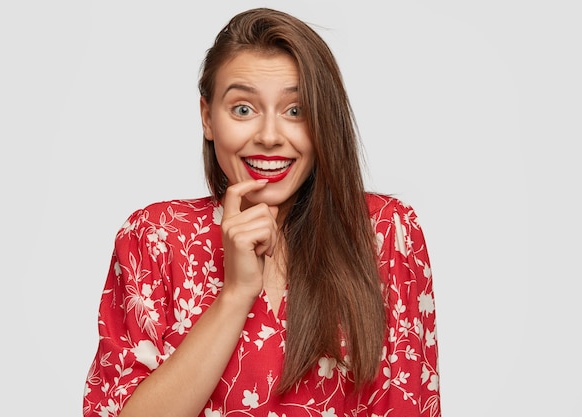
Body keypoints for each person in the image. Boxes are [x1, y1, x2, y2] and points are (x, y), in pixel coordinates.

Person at [83, 7, 441, 417]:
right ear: (207, 117)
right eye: (242, 109)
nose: (269, 136)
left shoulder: (386, 232)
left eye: (295, 110)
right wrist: (235, 295)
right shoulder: (157, 238)